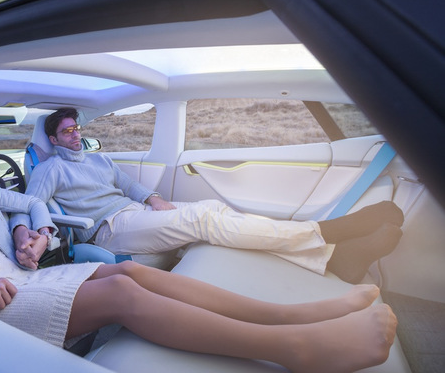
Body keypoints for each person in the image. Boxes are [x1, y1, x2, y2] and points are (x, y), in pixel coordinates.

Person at [0, 118, 397, 373]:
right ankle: (297, 349)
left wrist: (31, 233)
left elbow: (27, 204)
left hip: (25, 275)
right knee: (124, 294)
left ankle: (290, 315)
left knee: (135, 273)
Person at [25, 107, 404, 284]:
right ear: (54, 138)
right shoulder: (49, 169)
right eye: (67, 131)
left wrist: (154, 198)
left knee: (213, 208)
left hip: (136, 211)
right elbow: (32, 205)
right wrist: (34, 235)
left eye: (77, 128)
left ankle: (334, 259)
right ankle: (325, 232)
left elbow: (130, 186)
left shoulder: (100, 158)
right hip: (108, 229)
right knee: (204, 219)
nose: (75, 134)